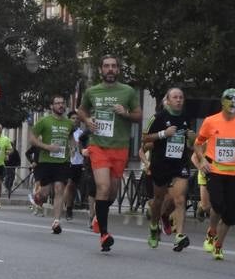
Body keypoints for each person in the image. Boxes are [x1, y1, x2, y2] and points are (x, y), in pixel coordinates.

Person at [77, 55, 142, 252]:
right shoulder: (92, 91)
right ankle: (104, 234)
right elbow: (81, 110)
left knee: (112, 191)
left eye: (114, 66)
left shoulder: (128, 91)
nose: (110, 69)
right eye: (106, 66)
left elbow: (139, 116)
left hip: (120, 147)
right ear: (100, 70)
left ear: (118, 70)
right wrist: (87, 121)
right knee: (103, 187)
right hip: (98, 146)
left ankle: (99, 214)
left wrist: (126, 113)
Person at [193, 88, 235, 260]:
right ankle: (212, 230)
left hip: (234, 173)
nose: (233, 101)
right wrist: (203, 160)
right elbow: (198, 144)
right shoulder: (210, 121)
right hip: (214, 170)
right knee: (217, 205)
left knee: (229, 216)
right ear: (222, 101)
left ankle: (218, 245)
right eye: (229, 98)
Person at [142, 87, 196, 252]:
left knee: (180, 199)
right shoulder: (158, 117)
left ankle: (179, 235)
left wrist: (192, 140)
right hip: (161, 164)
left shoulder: (186, 118)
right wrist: (163, 134)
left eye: (181, 97)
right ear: (168, 100)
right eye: (175, 97)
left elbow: (188, 143)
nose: (179, 100)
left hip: (179, 164)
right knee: (158, 201)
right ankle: (153, 226)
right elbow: (145, 138)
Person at [29, 95, 75, 234]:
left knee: (59, 188)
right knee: (44, 193)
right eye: (58, 103)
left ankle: (56, 221)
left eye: (63, 103)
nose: (61, 105)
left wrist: (73, 147)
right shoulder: (44, 121)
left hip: (62, 161)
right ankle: (37, 197)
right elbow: (32, 138)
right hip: (46, 161)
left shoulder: (69, 123)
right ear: (52, 106)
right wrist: (47, 147)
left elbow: (71, 137)